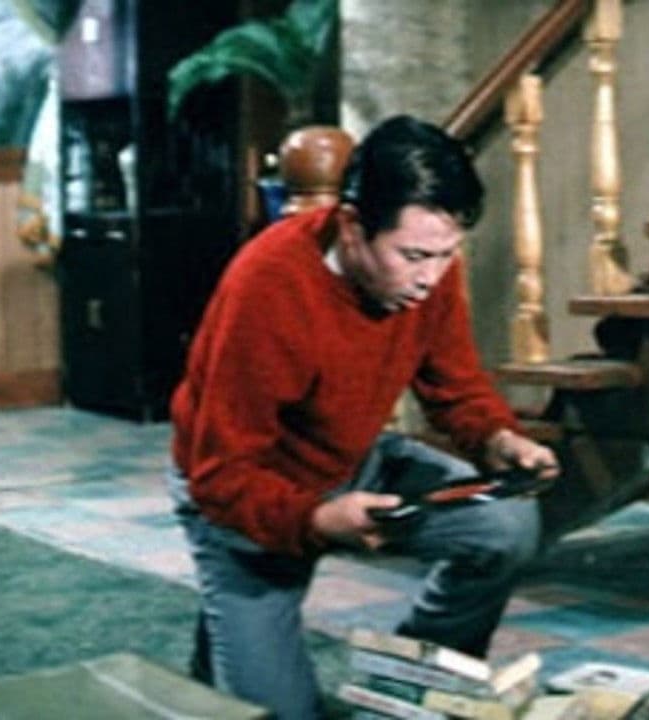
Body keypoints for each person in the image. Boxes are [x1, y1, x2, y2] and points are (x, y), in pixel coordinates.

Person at [167, 115, 559, 719]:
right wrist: (318, 520)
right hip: (242, 497)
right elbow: (221, 476)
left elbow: (454, 387)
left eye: (446, 255)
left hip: (349, 461)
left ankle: (409, 679)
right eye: (414, 256)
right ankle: (227, 639)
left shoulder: (428, 268)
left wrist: (498, 438)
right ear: (351, 226)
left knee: (506, 525)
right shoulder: (266, 286)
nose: (430, 278)